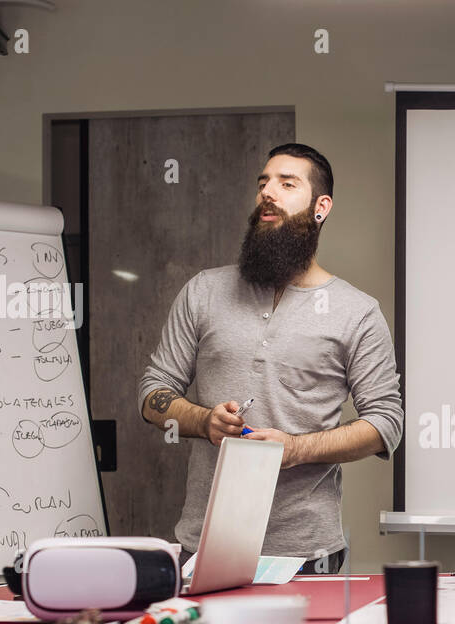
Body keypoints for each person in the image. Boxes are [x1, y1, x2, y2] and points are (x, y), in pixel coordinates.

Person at [139, 144, 402, 573]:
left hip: (306, 552)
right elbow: (153, 394)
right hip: (204, 543)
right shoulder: (203, 291)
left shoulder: (358, 312)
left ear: (321, 207)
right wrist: (204, 421)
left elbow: (386, 423)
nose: (268, 192)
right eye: (263, 183)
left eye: (286, 183)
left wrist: (295, 448)